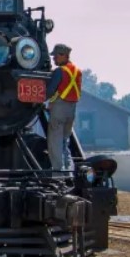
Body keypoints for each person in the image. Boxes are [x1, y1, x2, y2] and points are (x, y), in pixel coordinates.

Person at [45, 44, 81, 178]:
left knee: (55, 141)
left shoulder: (60, 71)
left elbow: (50, 90)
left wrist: (38, 100)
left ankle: (57, 174)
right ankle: (68, 171)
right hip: (71, 110)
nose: (54, 59)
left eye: (55, 56)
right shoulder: (77, 70)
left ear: (63, 55)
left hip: (59, 108)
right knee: (65, 141)